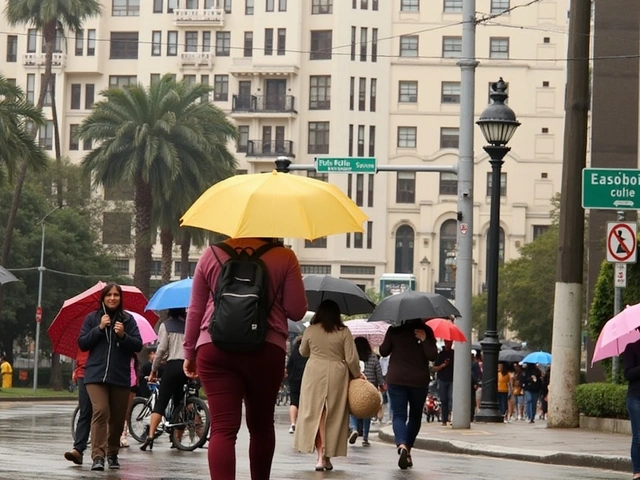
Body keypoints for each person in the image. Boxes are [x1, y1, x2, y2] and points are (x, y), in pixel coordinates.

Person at [184, 237, 307, 480]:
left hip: (214, 347)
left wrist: (189, 353)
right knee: (261, 426)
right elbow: (296, 310)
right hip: (266, 348)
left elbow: (196, 308)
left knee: (222, 428)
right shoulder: (285, 257)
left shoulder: (211, 255)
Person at [78, 283, 143, 471]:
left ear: (120, 298)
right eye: (109, 295)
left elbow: (137, 345)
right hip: (95, 375)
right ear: (103, 298)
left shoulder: (128, 320)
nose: (113, 298)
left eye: (116, 295)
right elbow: (82, 343)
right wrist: (99, 328)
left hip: (120, 377)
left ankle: (112, 453)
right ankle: (98, 456)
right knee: (100, 411)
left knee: (117, 418)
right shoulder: (92, 318)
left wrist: (123, 336)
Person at [293, 300, 363, 471]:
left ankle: (320, 455)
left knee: (314, 413)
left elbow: (303, 351)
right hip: (337, 374)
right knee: (334, 415)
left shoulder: (311, 329)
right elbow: (352, 358)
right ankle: (326, 455)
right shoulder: (343, 331)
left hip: (314, 372)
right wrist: (357, 374)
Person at [379, 319, 437, 470]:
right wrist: (424, 339)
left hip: (396, 379)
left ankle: (402, 445)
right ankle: (408, 450)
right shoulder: (426, 331)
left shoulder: (394, 330)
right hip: (418, 381)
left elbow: (383, 351)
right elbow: (432, 355)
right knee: (415, 416)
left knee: (399, 415)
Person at [141, 308, 188, 451]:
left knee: (161, 402)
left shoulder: (166, 325)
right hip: (187, 366)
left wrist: (154, 370)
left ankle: (150, 436)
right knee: (181, 402)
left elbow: (161, 350)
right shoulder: (189, 325)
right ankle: (177, 439)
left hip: (172, 365)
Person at [349, 337, 384, 447]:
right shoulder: (373, 357)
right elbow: (378, 373)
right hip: (370, 388)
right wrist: (381, 385)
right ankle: (365, 437)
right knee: (368, 412)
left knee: (353, 410)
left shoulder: (352, 358)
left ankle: (354, 428)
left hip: (356, 387)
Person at [64, 350, 91, 465]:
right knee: (85, 411)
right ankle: (78, 450)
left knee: (102, 413)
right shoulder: (83, 333)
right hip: (83, 372)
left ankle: (106, 452)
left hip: (101, 372)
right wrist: (76, 369)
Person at [623, 337, 640, 480]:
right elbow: (628, 374)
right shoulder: (631, 348)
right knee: (638, 437)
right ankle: (637, 472)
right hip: (636, 398)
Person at [286, 336, 308, 434]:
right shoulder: (308, 354)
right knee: (304, 402)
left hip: (293, 380)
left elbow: (288, 368)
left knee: (293, 402)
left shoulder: (293, 355)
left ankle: (293, 424)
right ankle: (301, 424)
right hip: (305, 380)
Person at [433, 340, 454, 426]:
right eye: (447, 342)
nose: (448, 344)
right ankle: (444, 419)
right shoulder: (441, 354)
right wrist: (443, 365)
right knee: (444, 399)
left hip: (452, 379)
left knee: (451, 399)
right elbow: (434, 368)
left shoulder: (454, 354)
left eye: (450, 342)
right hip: (443, 379)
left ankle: (451, 416)